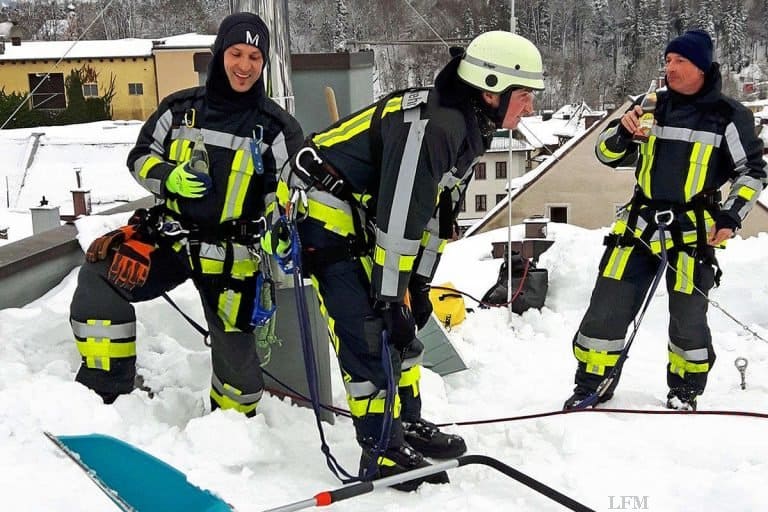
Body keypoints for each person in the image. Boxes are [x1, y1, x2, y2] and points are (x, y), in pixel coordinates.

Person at [275, 31, 544, 490]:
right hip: (319, 212)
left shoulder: (469, 124)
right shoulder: (435, 126)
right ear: (490, 88)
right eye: (524, 96)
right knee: (368, 331)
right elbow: (399, 223)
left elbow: (435, 215)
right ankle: (380, 449)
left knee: (404, 327)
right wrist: (387, 298)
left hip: (362, 214)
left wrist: (415, 287)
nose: (531, 109)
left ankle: (407, 425)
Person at [70, 12, 303, 415]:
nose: (244, 66)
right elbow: (140, 157)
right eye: (235, 53)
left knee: (242, 391)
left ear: (264, 64)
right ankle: (105, 399)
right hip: (170, 242)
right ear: (218, 54)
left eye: (254, 57)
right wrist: (168, 177)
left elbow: (285, 191)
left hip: (233, 261)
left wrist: (278, 227)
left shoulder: (277, 128)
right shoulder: (179, 109)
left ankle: (227, 432)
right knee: (97, 280)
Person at [564, 29, 766, 411]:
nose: (669, 68)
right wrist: (622, 136)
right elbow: (605, 155)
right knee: (607, 306)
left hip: (694, 228)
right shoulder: (650, 104)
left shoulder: (729, 116)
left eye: (680, 61)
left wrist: (731, 215)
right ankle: (593, 383)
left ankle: (686, 390)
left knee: (688, 318)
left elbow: (753, 172)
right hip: (640, 224)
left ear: (702, 68)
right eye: (668, 60)